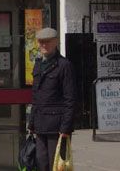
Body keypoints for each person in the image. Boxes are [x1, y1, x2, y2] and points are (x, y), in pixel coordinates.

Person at [28, 28, 78, 171]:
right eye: (41, 42)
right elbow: (36, 97)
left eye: (47, 42)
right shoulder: (38, 64)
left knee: (55, 165)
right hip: (40, 124)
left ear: (55, 42)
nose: (44, 45)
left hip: (57, 126)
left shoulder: (64, 65)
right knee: (41, 163)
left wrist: (66, 128)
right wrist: (31, 124)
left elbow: (70, 99)